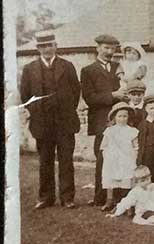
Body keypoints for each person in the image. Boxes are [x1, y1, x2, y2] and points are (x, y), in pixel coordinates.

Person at [20, 31, 82, 209]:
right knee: (45, 160)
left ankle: (67, 197)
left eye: (50, 45)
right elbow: (25, 96)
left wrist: (66, 109)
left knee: (66, 160)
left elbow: (75, 91)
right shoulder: (29, 69)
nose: (47, 49)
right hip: (42, 123)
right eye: (43, 46)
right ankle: (46, 197)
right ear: (38, 48)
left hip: (64, 122)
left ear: (56, 46)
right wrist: (37, 111)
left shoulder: (67, 66)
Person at [81, 33, 124, 206]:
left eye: (112, 48)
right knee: (102, 159)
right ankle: (100, 197)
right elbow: (89, 97)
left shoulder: (118, 67)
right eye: (106, 48)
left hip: (121, 119)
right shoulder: (88, 70)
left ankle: (120, 196)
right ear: (97, 48)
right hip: (101, 121)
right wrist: (113, 95)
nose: (109, 51)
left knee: (122, 157)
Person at [99, 102, 140, 210]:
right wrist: (107, 155)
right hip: (112, 159)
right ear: (114, 117)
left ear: (128, 117)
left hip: (126, 159)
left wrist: (134, 157)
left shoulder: (132, 131)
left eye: (125, 116)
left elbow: (136, 146)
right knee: (110, 178)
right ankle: (109, 201)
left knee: (126, 178)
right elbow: (104, 145)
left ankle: (126, 202)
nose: (122, 119)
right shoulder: (109, 131)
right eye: (119, 116)